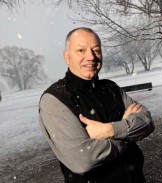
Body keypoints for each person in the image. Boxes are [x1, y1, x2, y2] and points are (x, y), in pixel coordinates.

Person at [39, 27, 155, 183]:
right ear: (67, 57)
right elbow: (83, 160)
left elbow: (147, 122)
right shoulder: (54, 99)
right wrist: (127, 134)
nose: (91, 57)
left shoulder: (111, 88)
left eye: (96, 50)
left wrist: (110, 130)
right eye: (81, 50)